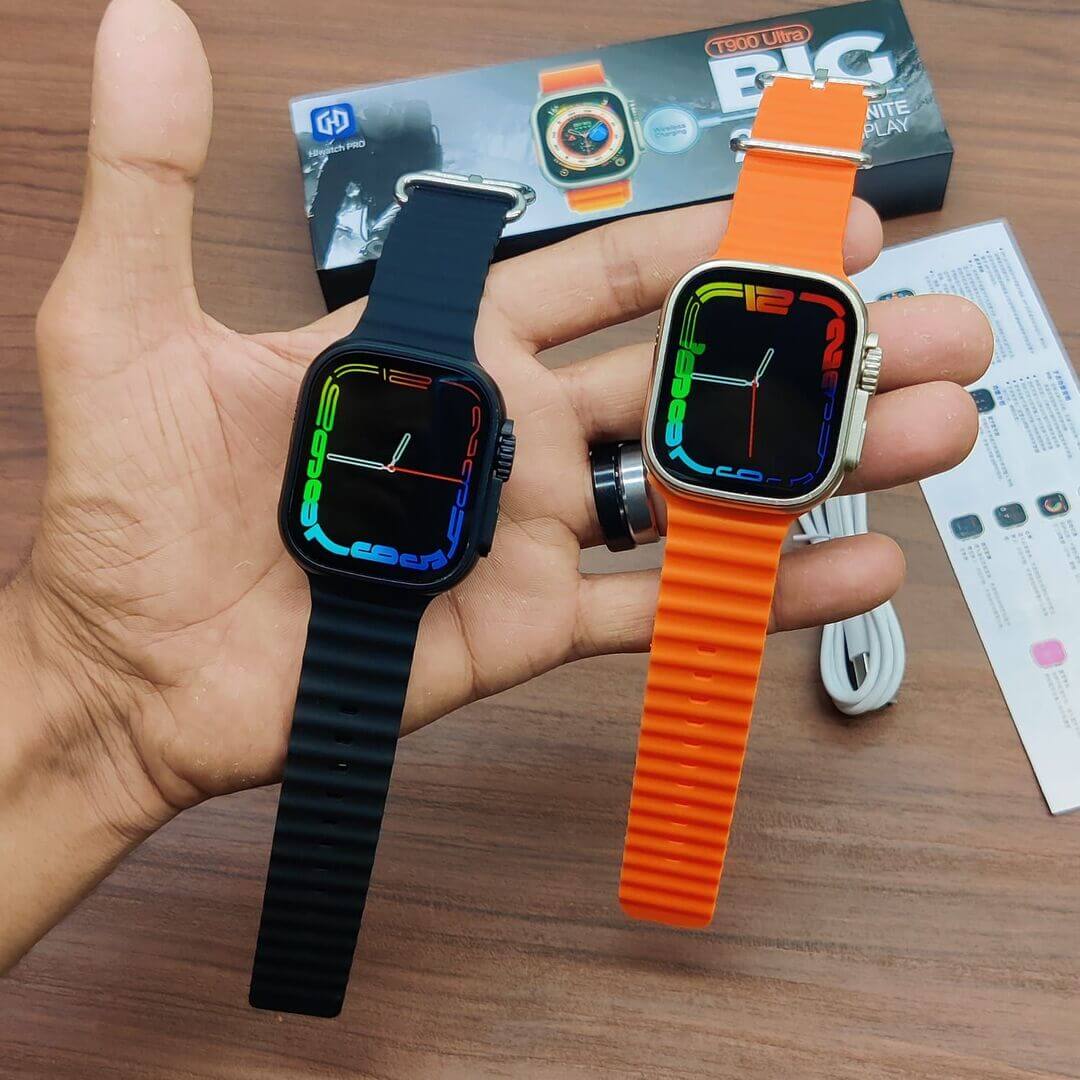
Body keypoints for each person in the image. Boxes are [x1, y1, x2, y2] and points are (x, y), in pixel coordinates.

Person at [0, 0, 992, 974]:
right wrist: (83, 674)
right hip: (380, 569)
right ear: (491, 455)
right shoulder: (418, 427)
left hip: (714, 508)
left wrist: (86, 697)